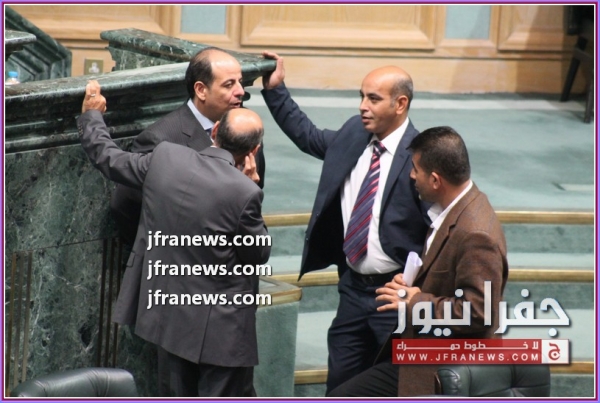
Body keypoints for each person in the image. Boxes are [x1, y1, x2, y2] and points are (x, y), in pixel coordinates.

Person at [77, 80, 271, 397]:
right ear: (253, 152)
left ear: (215, 131)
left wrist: (92, 116)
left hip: (168, 316)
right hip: (221, 332)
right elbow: (257, 254)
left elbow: (109, 158)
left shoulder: (165, 158)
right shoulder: (245, 192)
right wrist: (249, 185)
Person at [260, 51, 430, 393]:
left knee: (396, 389)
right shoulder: (354, 132)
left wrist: (421, 291)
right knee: (340, 387)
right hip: (352, 289)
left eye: (373, 99)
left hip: (394, 296)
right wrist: (276, 90)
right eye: (361, 96)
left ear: (400, 104)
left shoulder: (423, 154)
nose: (363, 106)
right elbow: (308, 136)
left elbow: (439, 228)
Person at [328, 126, 509, 397]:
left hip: (445, 367)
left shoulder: (475, 232)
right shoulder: (455, 209)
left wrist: (415, 300)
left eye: (415, 169)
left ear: (435, 180)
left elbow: (479, 312)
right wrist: (412, 283)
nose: (411, 175)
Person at [111, 47, 266, 246]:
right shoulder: (160, 139)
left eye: (240, 82)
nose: (240, 91)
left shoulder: (246, 125)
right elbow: (124, 207)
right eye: (229, 85)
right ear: (201, 90)